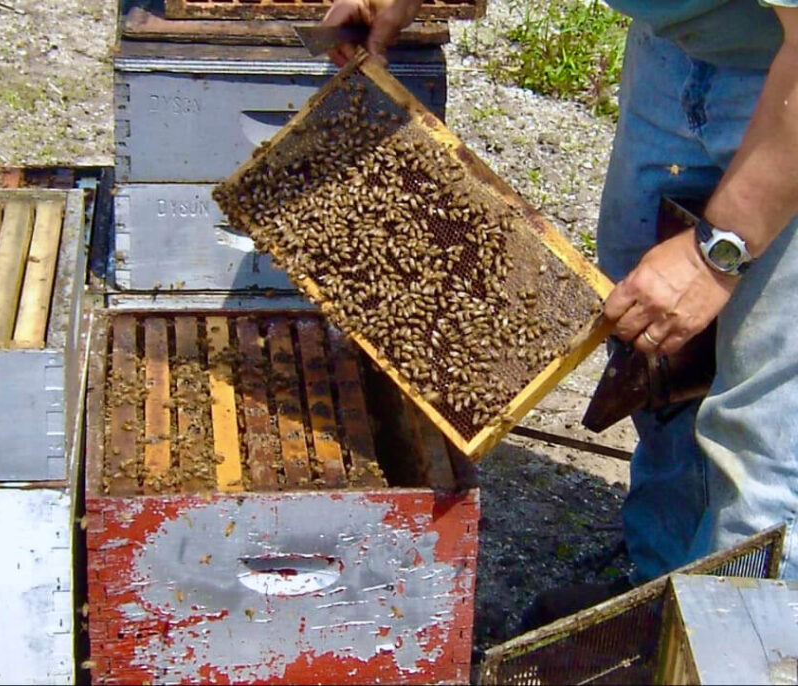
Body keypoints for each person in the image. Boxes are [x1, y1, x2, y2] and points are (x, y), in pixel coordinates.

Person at [322, 0, 798, 585]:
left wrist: (716, 253)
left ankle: (735, 650)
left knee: (767, 435)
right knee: (656, 361)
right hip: (671, 49)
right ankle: (659, 597)